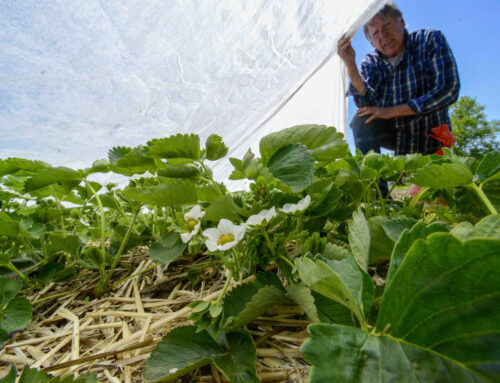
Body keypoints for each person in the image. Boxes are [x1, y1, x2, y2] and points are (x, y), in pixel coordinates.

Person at [337, 1, 460, 195]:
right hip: (400, 138)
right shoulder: (371, 62)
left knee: (430, 202)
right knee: (361, 120)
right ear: (370, 41)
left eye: (386, 26)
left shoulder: (429, 40)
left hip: (433, 137)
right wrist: (350, 65)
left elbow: (449, 90)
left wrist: (392, 111)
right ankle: (379, 196)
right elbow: (365, 105)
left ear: (401, 22)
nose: (383, 35)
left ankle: (429, 185)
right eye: (375, 33)